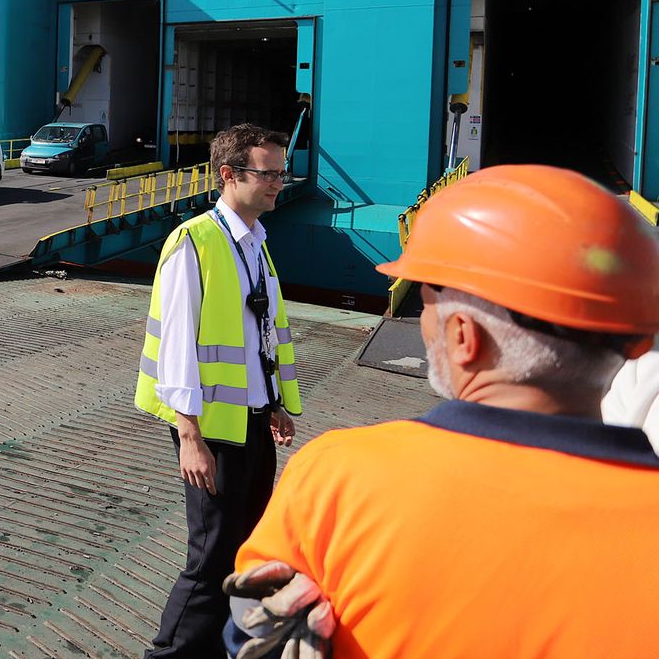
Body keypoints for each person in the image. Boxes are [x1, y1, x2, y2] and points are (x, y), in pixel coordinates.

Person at [226, 164, 659, 659]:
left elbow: (249, 622)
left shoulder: (338, 479)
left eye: (427, 299)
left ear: (463, 337)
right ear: (637, 343)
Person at [135, 123, 303, 659]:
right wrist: (189, 435)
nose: (279, 181)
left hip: (250, 420)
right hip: (209, 428)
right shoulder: (196, 242)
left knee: (243, 544)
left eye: (282, 171)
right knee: (209, 557)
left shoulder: (256, 244)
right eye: (268, 172)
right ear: (229, 174)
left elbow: (261, 332)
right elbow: (177, 345)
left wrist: (272, 400)